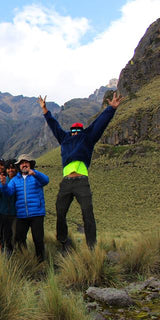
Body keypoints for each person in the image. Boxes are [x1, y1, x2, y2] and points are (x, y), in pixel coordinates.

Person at [38, 92, 124, 250]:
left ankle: (91, 246)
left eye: (77, 130)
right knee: (60, 211)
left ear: (80, 130)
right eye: (73, 130)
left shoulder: (87, 137)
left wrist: (111, 109)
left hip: (81, 181)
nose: (75, 132)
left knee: (87, 213)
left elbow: (100, 123)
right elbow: (54, 125)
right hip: (66, 182)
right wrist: (45, 110)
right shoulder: (65, 138)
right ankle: (63, 241)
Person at [0, 155, 49, 262]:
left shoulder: (36, 176)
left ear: (30, 164)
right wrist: (3, 185)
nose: (24, 165)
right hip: (21, 214)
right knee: (19, 238)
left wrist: (35, 174)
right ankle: (25, 259)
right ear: (19, 166)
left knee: (38, 239)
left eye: (26, 162)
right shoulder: (15, 180)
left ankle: (41, 261)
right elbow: (9, 192)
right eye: (21, 163)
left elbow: (46, 180)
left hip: (37, 213)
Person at [0, 159, 17, 255]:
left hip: (15, 212)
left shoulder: (18, 180)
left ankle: (16, 254)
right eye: (8, 168)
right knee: (4, 235)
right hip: (3, 211)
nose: (10, 170)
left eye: (12, 168)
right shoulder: (4, 179)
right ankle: (5, 254)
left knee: (15, 235)